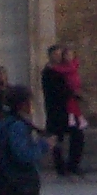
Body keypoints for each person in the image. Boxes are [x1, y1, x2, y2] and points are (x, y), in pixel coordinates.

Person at [52, 44, 87, 177]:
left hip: (71, 106)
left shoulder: (72, 68)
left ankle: (72, 164)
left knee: (77, 135)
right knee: (61, 137)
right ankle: (63, 167)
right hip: (62, 108)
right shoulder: (55, 71)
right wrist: (73, 93)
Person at [39, 45, 74, 177]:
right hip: (54, 109)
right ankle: (60, 166)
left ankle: (70, 165)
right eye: (56, 54)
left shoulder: (61, 70)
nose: (59, 57)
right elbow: (57, 90)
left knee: (74, 135)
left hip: (64, 109)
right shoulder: (49, 72)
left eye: (60, 54)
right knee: (56, 138)